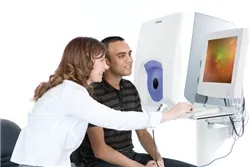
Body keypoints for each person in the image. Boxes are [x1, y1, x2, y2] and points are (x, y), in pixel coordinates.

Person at [10, 36, 192, 167]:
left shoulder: (73, 91)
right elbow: (117, 120)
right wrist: (170, 114)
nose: (105, 66)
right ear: (87, 62)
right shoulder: (71, 94)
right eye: (101, 60)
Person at [77, 36, 197, 167]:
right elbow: (100, 151)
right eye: (121, 56)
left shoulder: (129, 87)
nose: (129, 60)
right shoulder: (92, 92)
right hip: (100, 162)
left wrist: (158, 159)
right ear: (106, 62)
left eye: (129, 54)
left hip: (128, 156)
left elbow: (142, 132)